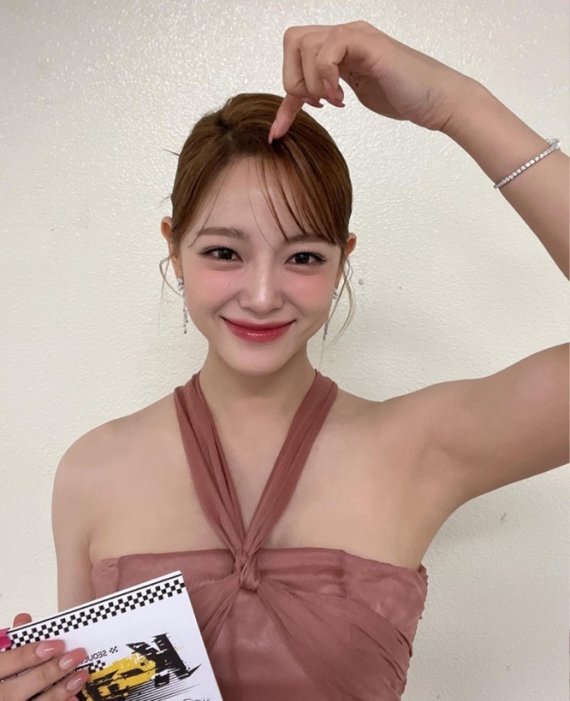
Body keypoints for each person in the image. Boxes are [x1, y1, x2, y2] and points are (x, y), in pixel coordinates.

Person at [1, 19, 567, 701]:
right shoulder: (91, 473)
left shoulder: (421, 448)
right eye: (223, 252)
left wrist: (452, 102)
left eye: (302, 256)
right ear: (174, 249)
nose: (263, 294)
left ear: (342, 261)